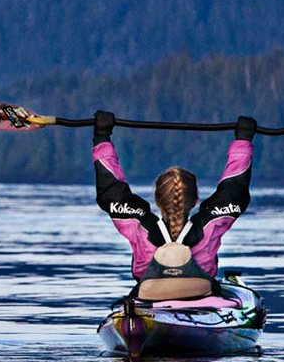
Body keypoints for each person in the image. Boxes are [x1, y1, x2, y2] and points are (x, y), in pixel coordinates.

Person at [92, 110, 256, 302]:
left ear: (157, 200)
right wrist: (243, 139)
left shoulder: (138, 223)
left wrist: (102, 136)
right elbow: (234, 187)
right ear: (195, 200)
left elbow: (110, 187)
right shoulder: (212, 222)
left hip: (148, 297)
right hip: (203, 296)